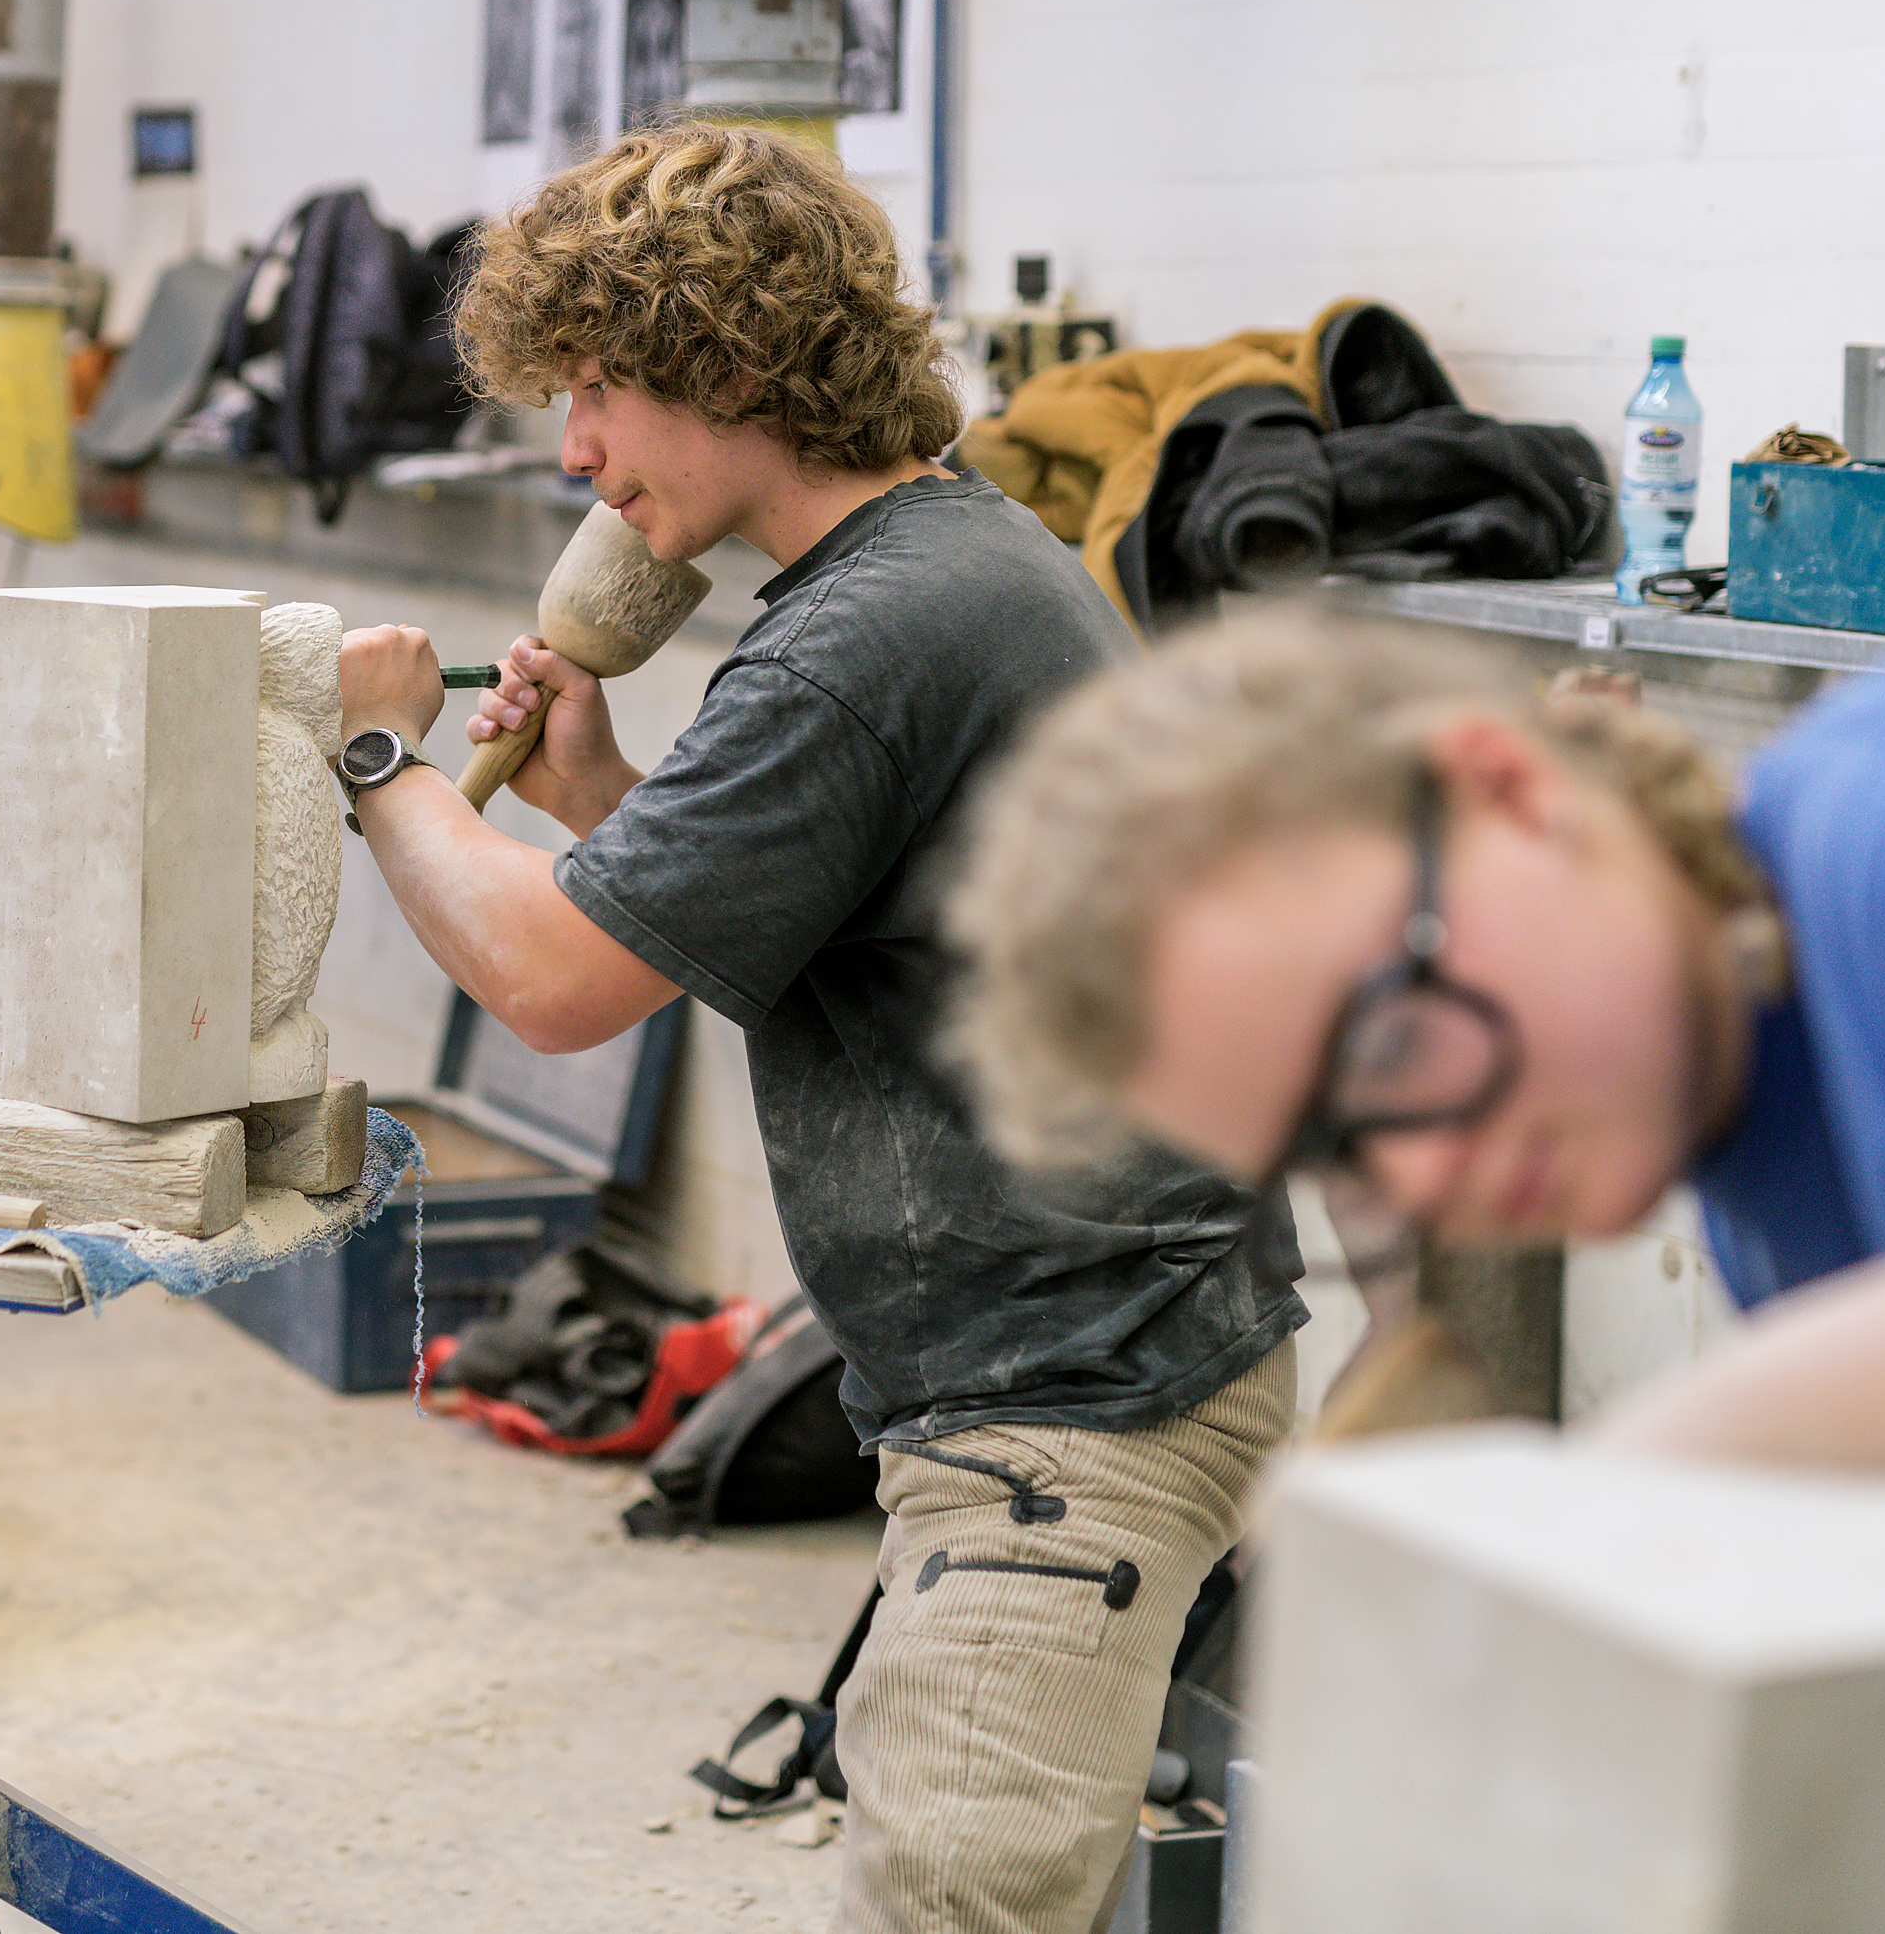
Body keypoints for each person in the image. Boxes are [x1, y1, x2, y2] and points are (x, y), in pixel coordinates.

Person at [334, 126, 1303, 1934]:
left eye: (598, 390)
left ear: (722, 361)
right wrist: (596, 795)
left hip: (1069, 1404)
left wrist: (383, 763)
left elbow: (551, 988)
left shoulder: (859, 642)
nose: (574, 452)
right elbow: (802, 931)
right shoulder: (939, 570)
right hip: (1081, 1358)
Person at [942, 604, 1885, 1540]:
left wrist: (1734, 1430)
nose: (1419, 1171)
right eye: (1336, 1149)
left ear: (1507, 791)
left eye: (1386, 1037)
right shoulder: (1756, 1158)